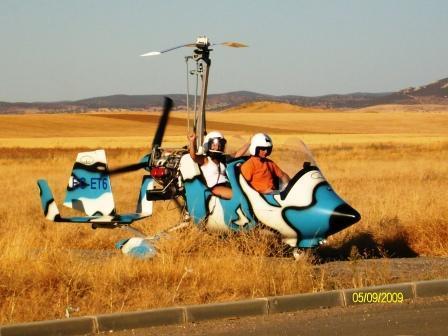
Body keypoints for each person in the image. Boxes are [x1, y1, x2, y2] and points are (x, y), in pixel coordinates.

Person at [188, 131, 249, 199]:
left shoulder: (222, 159)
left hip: (226, 185)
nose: (217, 147)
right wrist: (192, 141)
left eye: (219, 144)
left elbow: (237, 154)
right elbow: (193, 156)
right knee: (238, 196)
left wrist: (249, 142)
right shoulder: (205, 160)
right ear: (208, 145)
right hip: (214, 188)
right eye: (214, 144)